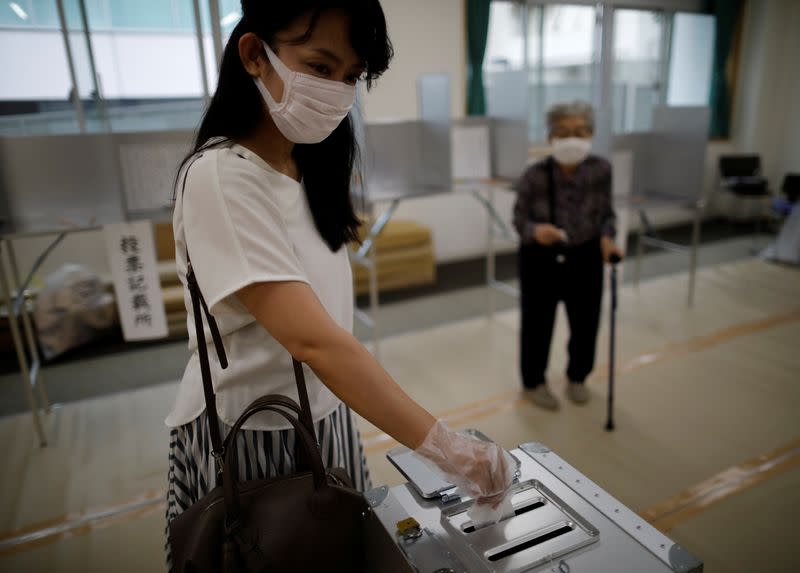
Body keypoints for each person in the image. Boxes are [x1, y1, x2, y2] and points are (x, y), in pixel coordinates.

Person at [164, 1, 513, 568]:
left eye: (352, 76)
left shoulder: (303, 166)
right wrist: (449, 450)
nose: (338, 91)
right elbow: (315, 342)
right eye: (321, 67)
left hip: (325, 415)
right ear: (254, 54)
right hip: (256, 431)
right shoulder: (222, 175)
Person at [513, 101, 624, 411]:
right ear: (550, 138)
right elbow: (519, 221)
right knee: (537, 324)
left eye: (579, 131)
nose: (571, 138)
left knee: (586, 321)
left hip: (586, 256)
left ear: (590, 134)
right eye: (563, 132)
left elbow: (607, 215)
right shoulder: (534, 175)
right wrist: (536, 231)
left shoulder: (601, 170)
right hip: (540, 258)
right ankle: (534, 382)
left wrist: (607, 239)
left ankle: (578, 376)